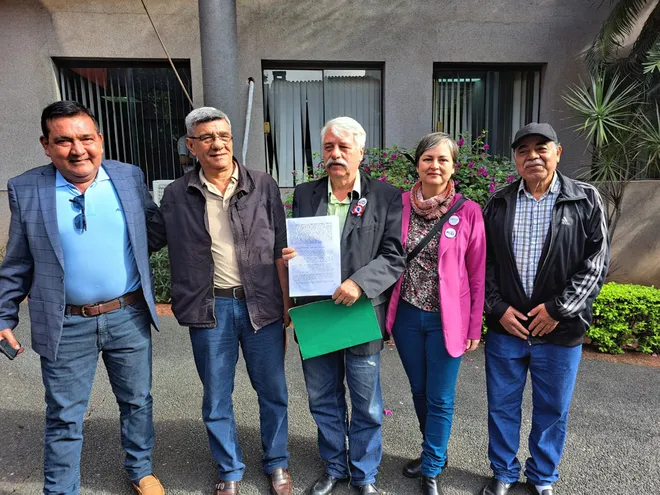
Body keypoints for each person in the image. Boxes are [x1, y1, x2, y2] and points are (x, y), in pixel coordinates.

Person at [0, 101, 163, 495]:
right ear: (46, 145)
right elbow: (18, 259)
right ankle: (60, 490)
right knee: (64, 417)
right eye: (64, 141)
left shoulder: (127, 177)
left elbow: (154, 230)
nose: (78, 150)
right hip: (65, 322)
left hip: (128, 314)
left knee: (137, 401)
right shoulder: (26, 188)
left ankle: (140, 470)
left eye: (86, 138)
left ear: (100, 140)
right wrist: (4, 316)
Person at [147, 107, 293, 495]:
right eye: (207, 138)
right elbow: (152, 238)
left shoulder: (263, 185)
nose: (218, 144)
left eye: (224, 135)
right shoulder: (177, 194)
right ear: (192, 146)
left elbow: (281, 246)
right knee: (215, 397)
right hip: (209, 308)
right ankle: (230, 469)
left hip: (261, 305)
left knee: (273, 391)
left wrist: (287, 304)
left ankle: (277, 462)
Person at [480, 123, 610, 495]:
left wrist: (558, 309)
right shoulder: (499, 202)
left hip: (559, 329)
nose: (532, 156)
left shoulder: (585, 198)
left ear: (558, 152)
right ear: (515, 159)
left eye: (541, 147)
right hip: (508, 328)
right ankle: (504, 472)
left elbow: (596, 262)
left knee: (553, 410)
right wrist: (498, 308)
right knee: (502, 407)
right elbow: (484, 264)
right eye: (523, 150)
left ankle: (542, 477)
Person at [282, 116, 406, 495]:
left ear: (360, 152)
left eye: (344, 147)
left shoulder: (385, 196)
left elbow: (394, 256)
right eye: (329, 148)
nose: (335, 154)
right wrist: (291, 256)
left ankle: (364, 474)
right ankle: (335, 467)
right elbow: (300, 247)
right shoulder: (305, 194)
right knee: (323, 398)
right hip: (316, 313)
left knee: (367, 404)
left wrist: (359, 283)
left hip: (360, 313)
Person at [385, 132, 486, 495]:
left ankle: (431, 467)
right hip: (408, 315)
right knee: (418, 390)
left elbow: (477, 274)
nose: (435, 166)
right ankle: (436, 452)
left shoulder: (468, 211)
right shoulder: (397, 206)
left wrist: (475, 324)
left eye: (443, 159)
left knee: (441, 396)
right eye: (428, 159)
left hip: (449, 318)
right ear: (417, 164)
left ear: (453, 166)